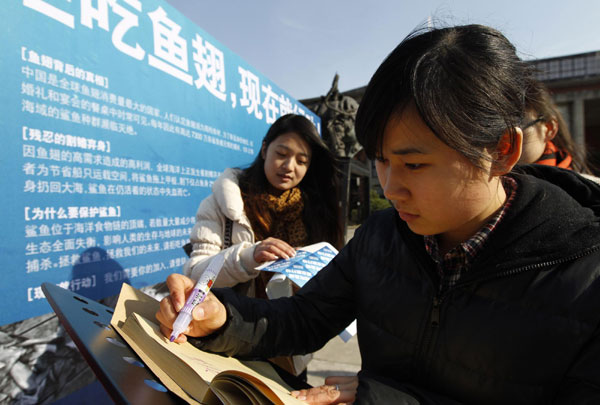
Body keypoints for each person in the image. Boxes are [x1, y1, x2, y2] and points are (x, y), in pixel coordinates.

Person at [157, 24, 600, 404]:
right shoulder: (381, 236)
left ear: (502, 150)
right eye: (381, 162)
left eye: (414, 164)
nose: (389, 188)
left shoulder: (585, 275)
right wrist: (222, 319)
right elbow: (306, 317)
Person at [519, 78, 593, 173]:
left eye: (515, 132)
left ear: (549, 129)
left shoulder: (582, 186)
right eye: (495, 134)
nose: (504, 145)